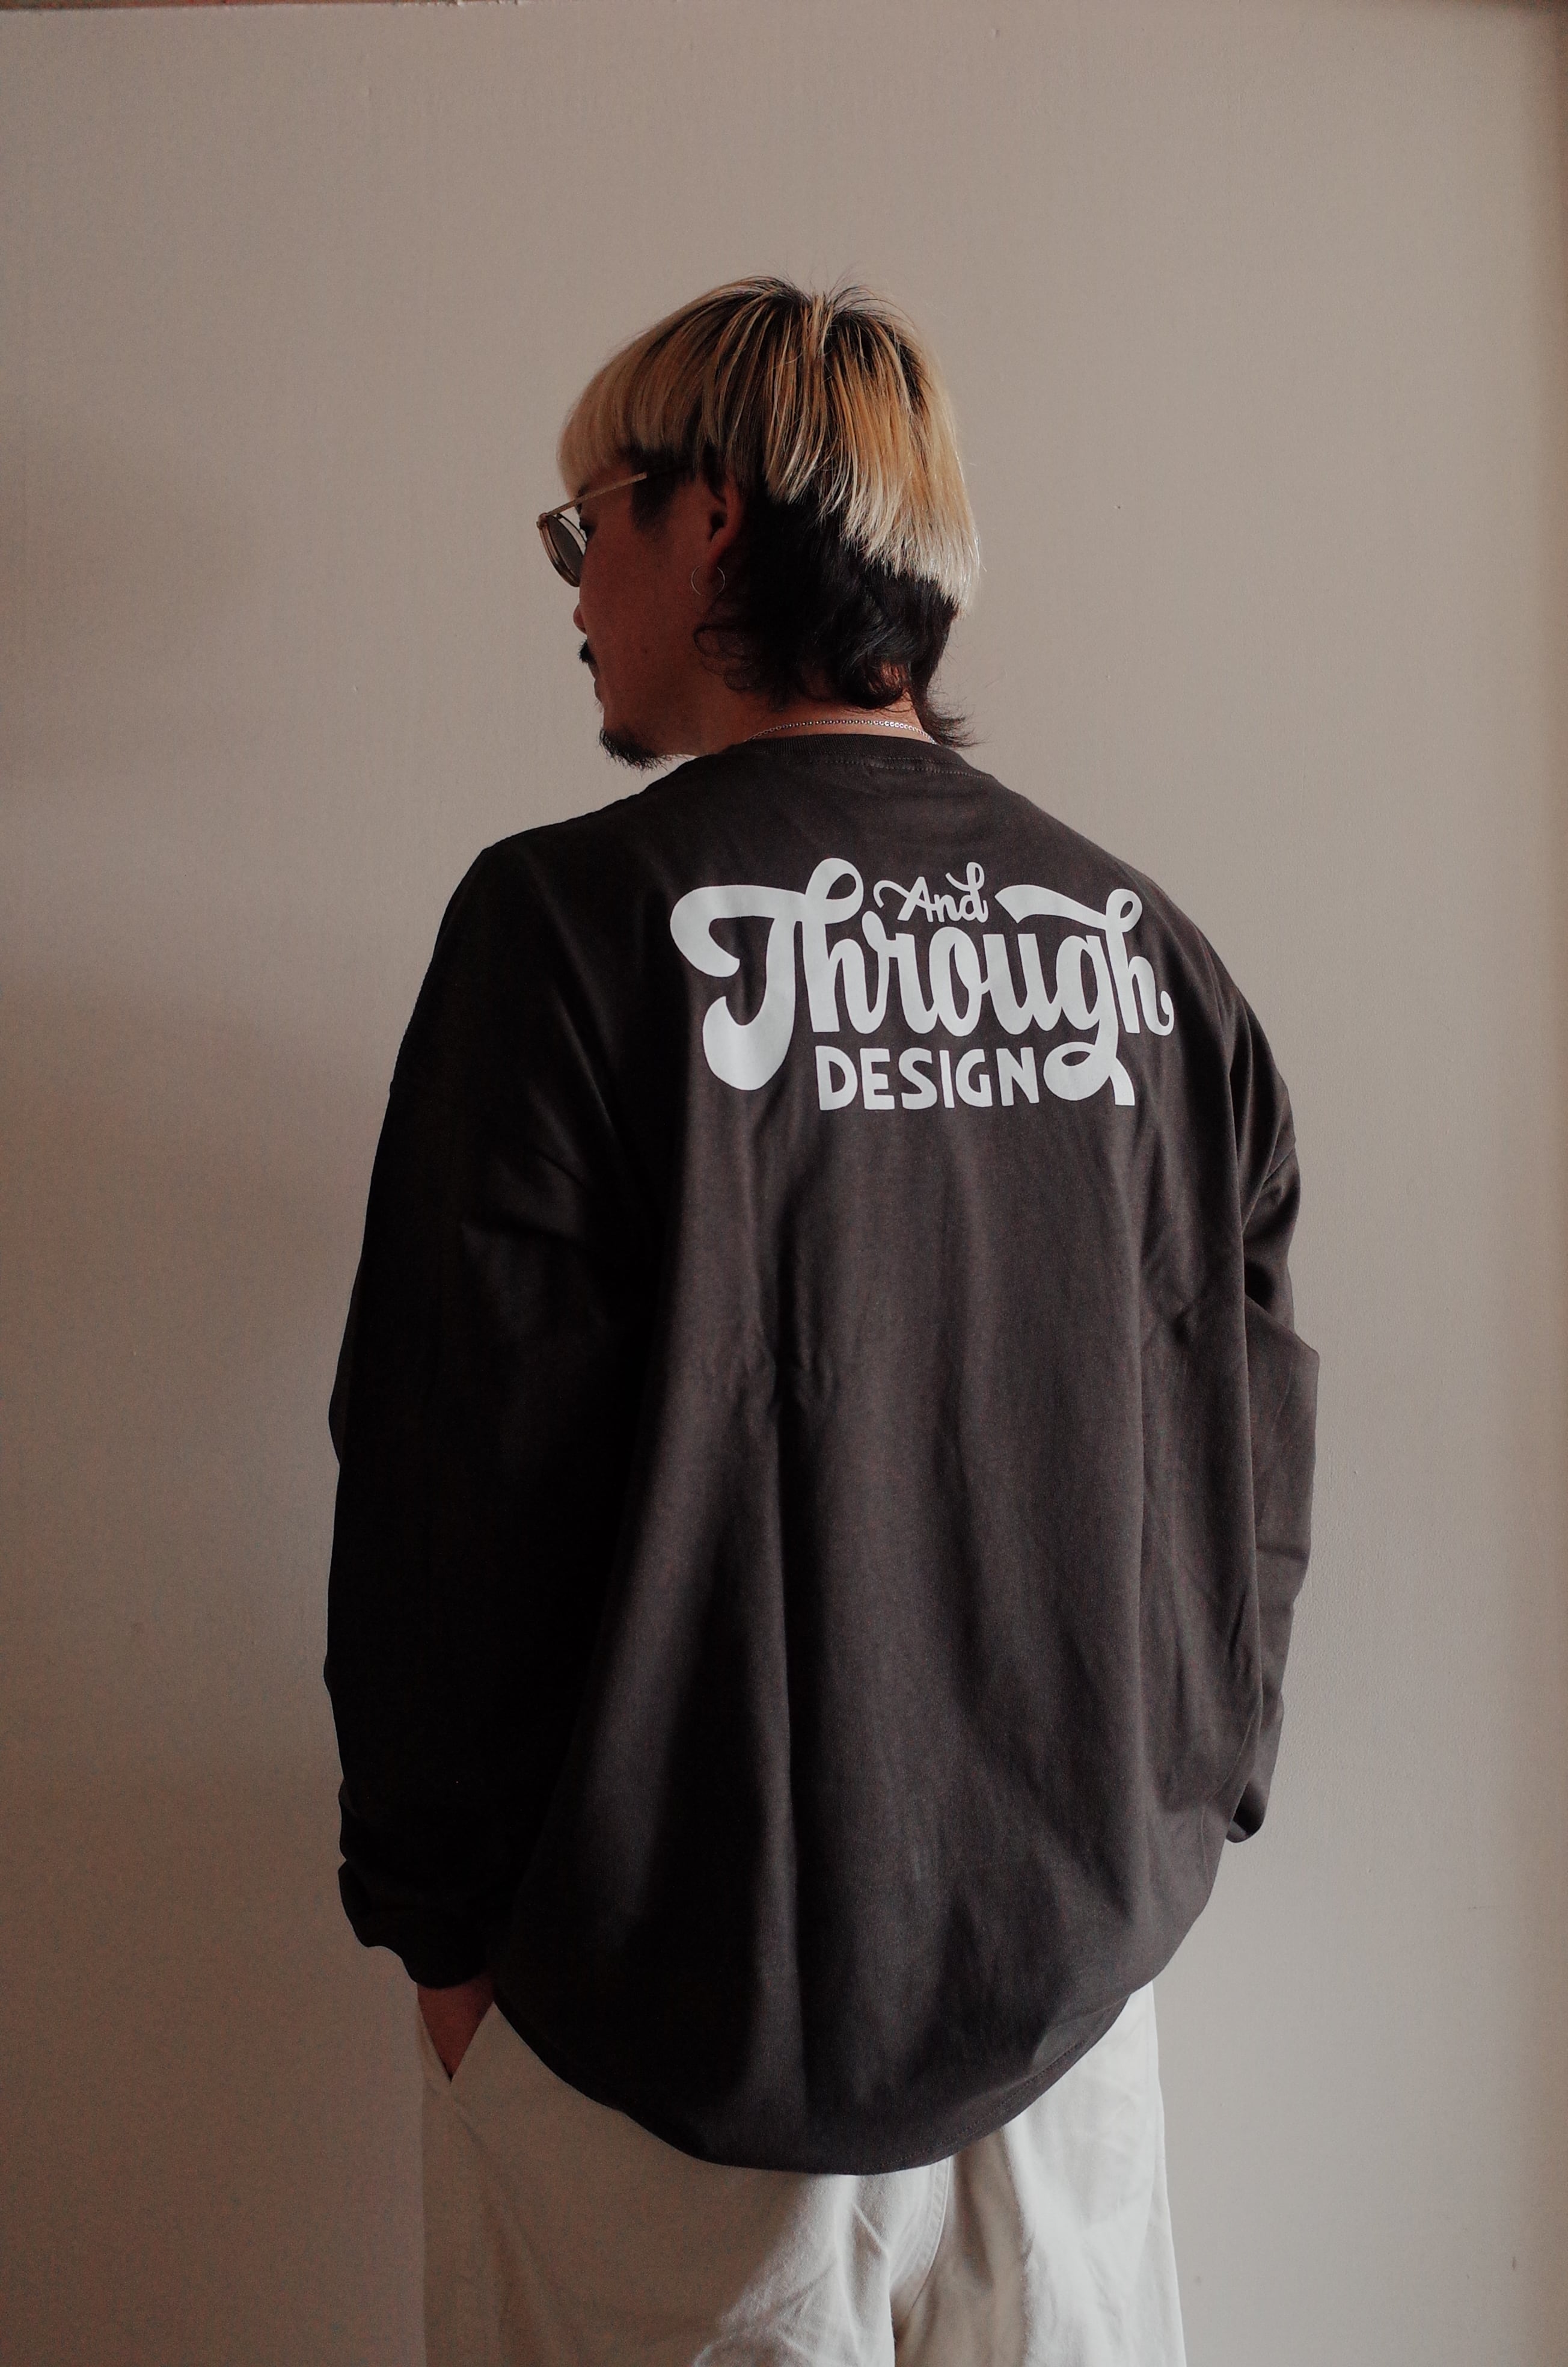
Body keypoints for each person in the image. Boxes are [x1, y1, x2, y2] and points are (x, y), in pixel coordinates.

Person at [324, 277, 1318, 2366]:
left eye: (585, 521)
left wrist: (444, 1939)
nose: (571, 586)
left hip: (663, 2061)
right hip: (1070, 2031)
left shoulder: (564, 933)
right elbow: (1253, 1434)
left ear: (709, 516)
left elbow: (445, 1470)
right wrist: (1190, 1801)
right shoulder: (1145, 953)